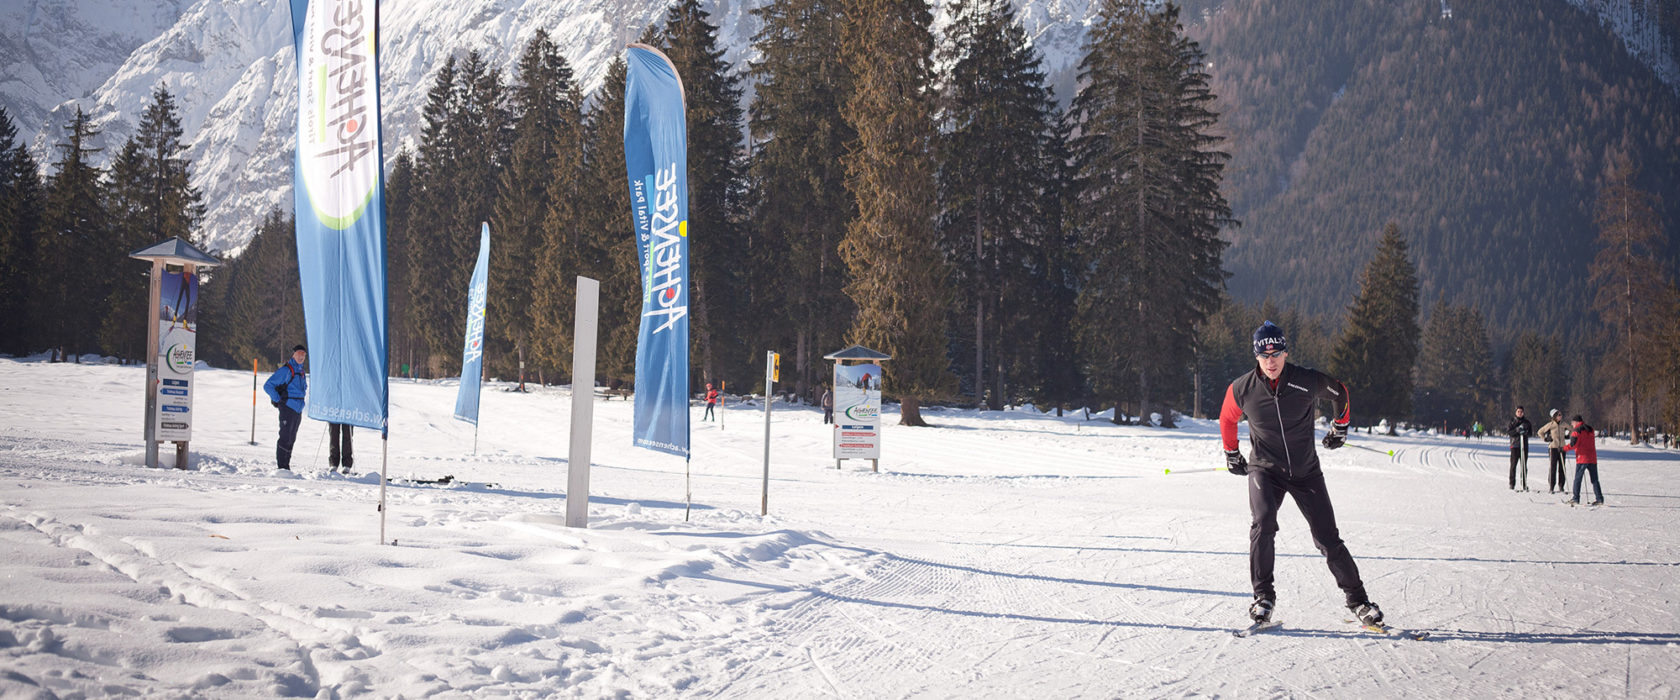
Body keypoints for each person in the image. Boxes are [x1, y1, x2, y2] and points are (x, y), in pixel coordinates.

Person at [1219, 321, 1382, 628]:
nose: (1271, 361)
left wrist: (1341, 426)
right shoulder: (1242, 389)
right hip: (1265, 469)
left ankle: (1359, 601)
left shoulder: (1305, 380)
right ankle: (1263, 597)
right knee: (1263, 522)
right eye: (1264, 355)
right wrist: (1231, 453)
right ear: (1256, 356)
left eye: (1276, 353)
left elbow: (1340, 393)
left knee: (1327, 538)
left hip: (1306, 472)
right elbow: (1226, 418)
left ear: (1285, 352)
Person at [262, 345, 308, 471]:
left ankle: (286, 466)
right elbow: (268, 386)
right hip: (288, 407)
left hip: (298, 409)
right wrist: (278, 400)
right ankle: (282, 467)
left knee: (291, 438)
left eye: (303, 355)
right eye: (299, 354)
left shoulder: (301, 371)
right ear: (293, 355)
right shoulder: (286, 370)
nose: (301, 357)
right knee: (285, 437)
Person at [1564, 415, 1603, 505]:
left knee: (1578, 479)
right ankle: (1599, 498)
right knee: (1594, 480)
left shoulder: (1576, 431)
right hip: (1592, 458)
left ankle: (1575, 498)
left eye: (1572, 422)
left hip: (1582, 458)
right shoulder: (1590, 429)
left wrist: (1564, 448)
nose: (1572, 424)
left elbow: (1573, 445)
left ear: (1576, 422)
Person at [1536, 409, 1570, 494]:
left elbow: (1572, 429)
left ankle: (1561, 486)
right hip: (1553, 448)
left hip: (1562, 448)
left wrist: (1568, 435)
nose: (1560, 416)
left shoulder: (1564, 424)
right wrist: (1546, 439)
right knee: (1553, 467)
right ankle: (1551, 486)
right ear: (1554, 416)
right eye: (1558, 415)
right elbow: (1540, 432)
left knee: (1562, 467)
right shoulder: (1550, 425)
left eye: (1560, 414)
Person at [1507, 406, 1533, 491]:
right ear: (1516, 412)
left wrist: (1525, 432)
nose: (1520, 413)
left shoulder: (1527, 422)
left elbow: (1530, 433)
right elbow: (1509, 432)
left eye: (1521, 411)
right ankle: (1512, 483)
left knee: (1524, 465)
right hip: (1515, 445)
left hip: (1524, 446)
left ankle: (1524, 483)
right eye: (1518, 411)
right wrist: (1516, 430)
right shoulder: (1512, 421)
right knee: (1513, 465)